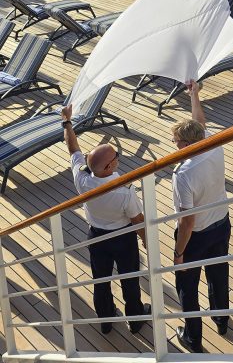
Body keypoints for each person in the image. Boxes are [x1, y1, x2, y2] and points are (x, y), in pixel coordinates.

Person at [60, 104, 151, 334]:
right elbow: (137, 219)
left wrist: (67, 121)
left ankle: (106, 320)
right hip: (122, 238)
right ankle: (136, 318)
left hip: (96, 236)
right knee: (129, 278)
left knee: (100, 279)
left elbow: (73, 149)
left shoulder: (82, 180)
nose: (118, 159)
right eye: (116, 157)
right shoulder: (124, 191)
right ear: (110, 166)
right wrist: (147, 241)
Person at [172, 80, 231, 353]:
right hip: (222, 224)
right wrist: (194, 94)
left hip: (196, 237)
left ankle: (193, 338)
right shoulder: (213, 145)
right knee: (219, 275)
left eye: (176, 142)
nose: (174, 146)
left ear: (186, 144)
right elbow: (200, 120)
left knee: (187, 285)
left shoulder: (183, 174)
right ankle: (221, 318)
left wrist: (179, 253)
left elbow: (187, 221)